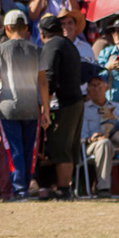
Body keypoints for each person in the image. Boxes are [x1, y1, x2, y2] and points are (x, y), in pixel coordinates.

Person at [0, 10, 48, 201]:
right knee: (30, 150)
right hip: (31, 107)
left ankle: (19, 189)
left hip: (8, 107)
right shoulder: (37, 50)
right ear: (26, 28)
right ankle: (25, 187)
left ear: (6, 28)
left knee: (14, 150)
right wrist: (45, 107)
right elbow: (43, 82)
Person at [37, 14, 83, 200]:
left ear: (42, 33)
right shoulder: (68, 44)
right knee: (69, 146)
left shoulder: (51, 45)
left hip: (64, 103)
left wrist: (45, 108)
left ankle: (63, 189)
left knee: (61, 146)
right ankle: (63, 187)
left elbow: (50, 77)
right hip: (76, 100)